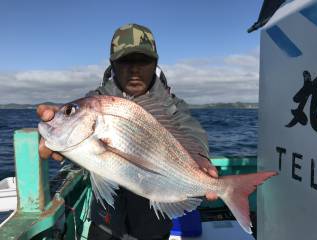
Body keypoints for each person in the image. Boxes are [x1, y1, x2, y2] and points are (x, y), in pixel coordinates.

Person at [37, 23, 218, 240]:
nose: (134, 69)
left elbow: (190, 129)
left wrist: (200, 160)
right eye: (125, 61)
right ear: (113, 64)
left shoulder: (172, 106)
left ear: (155, 63)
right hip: (106, 222)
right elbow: (87, 154)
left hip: (154, 223)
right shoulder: (95, 101)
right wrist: (58, 141)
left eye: (143, 60)